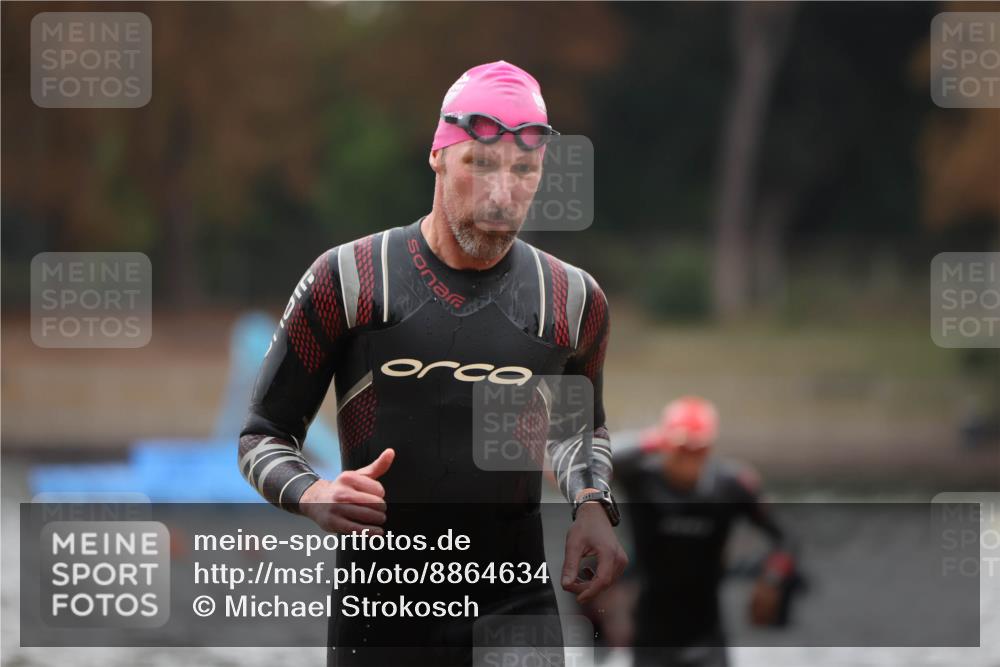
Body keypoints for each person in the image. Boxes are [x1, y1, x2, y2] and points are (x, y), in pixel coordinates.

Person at [238, 60, 627, 666]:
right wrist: (312, 493)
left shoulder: (572, 300)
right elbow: (263, 435)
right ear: (438, 156)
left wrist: (593, 504)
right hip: (382, 612)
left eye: (523, 170)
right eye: (481, 164)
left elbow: (581, 429)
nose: (502, 193)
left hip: (514, 604)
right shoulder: (350, 279)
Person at [612, 396, 797, 667]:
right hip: (650, 632)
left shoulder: (729, 485)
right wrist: (652, 439)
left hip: (707, 634)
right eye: (682, 450)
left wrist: (771, 580)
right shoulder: (641, 479)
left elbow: (786, 539)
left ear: (709, 448)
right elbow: (592, 461)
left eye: (697, 451)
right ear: (666, 445)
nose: (689, 459)